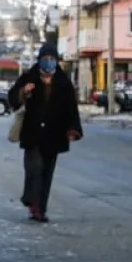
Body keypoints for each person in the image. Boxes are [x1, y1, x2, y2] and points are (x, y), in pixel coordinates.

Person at [8, 43, 83, 223]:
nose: (48, 62)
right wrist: (23, 93)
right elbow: (12, 98)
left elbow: (71, 108)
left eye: (52, 59)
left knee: (47, 173)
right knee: (34, 169)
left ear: (56, 61)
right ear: (39, 60)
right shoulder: (29, 77)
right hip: (32, 133)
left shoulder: (63, 82)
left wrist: (73, 129)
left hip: (54, 134)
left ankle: (39, 209)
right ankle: (31, 201)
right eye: (45, 59)